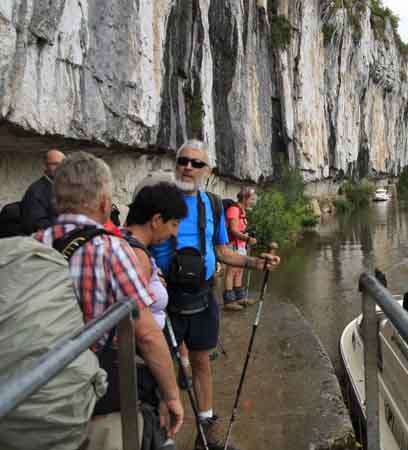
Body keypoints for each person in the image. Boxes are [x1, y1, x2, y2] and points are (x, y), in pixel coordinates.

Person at [33, 151, 183, 449]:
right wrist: (172, 395)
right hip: (98, 390)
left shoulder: (35, 243)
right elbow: (147, 334)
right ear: (104, 202)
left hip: (43, 391)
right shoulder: (110, 250)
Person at [151, 139, 280, 450]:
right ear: (176, 163)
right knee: (160, 369)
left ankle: (205, 434)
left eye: (196, 163)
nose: (188, 167)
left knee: (202, 362)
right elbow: (137, 241)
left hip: (203, 294)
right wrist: (149, 272)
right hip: (166, 298)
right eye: (183, 160)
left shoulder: (212, 204)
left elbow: (222, 250)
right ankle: (160, 438)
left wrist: (254, 262)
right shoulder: (156, 198)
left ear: (207, 171)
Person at [124, 180, 189, 329]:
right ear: (157, 220)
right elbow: (143, 330)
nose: (175, 233)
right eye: (174, 224)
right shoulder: (138, 256)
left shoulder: (123, 240)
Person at [223, 187, 258, 311]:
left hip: (241, 244)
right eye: (252, 199)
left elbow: (240, 229)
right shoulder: (234, 209)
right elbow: (233, 230)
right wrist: (247, 238)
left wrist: (246, 237)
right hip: (233, 244)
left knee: (239, 271)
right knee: (231, 271)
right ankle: (229, 300)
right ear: (244, 198)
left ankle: (239, 298)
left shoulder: (242, 211)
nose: (254, 201)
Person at [21, 149, 64, 233]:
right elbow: (34, 225)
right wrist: (64, 228)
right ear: (45, 166)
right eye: (55, 164)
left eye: (63, 164)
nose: (60, 167)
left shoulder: (70, 187)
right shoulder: (35, 191)